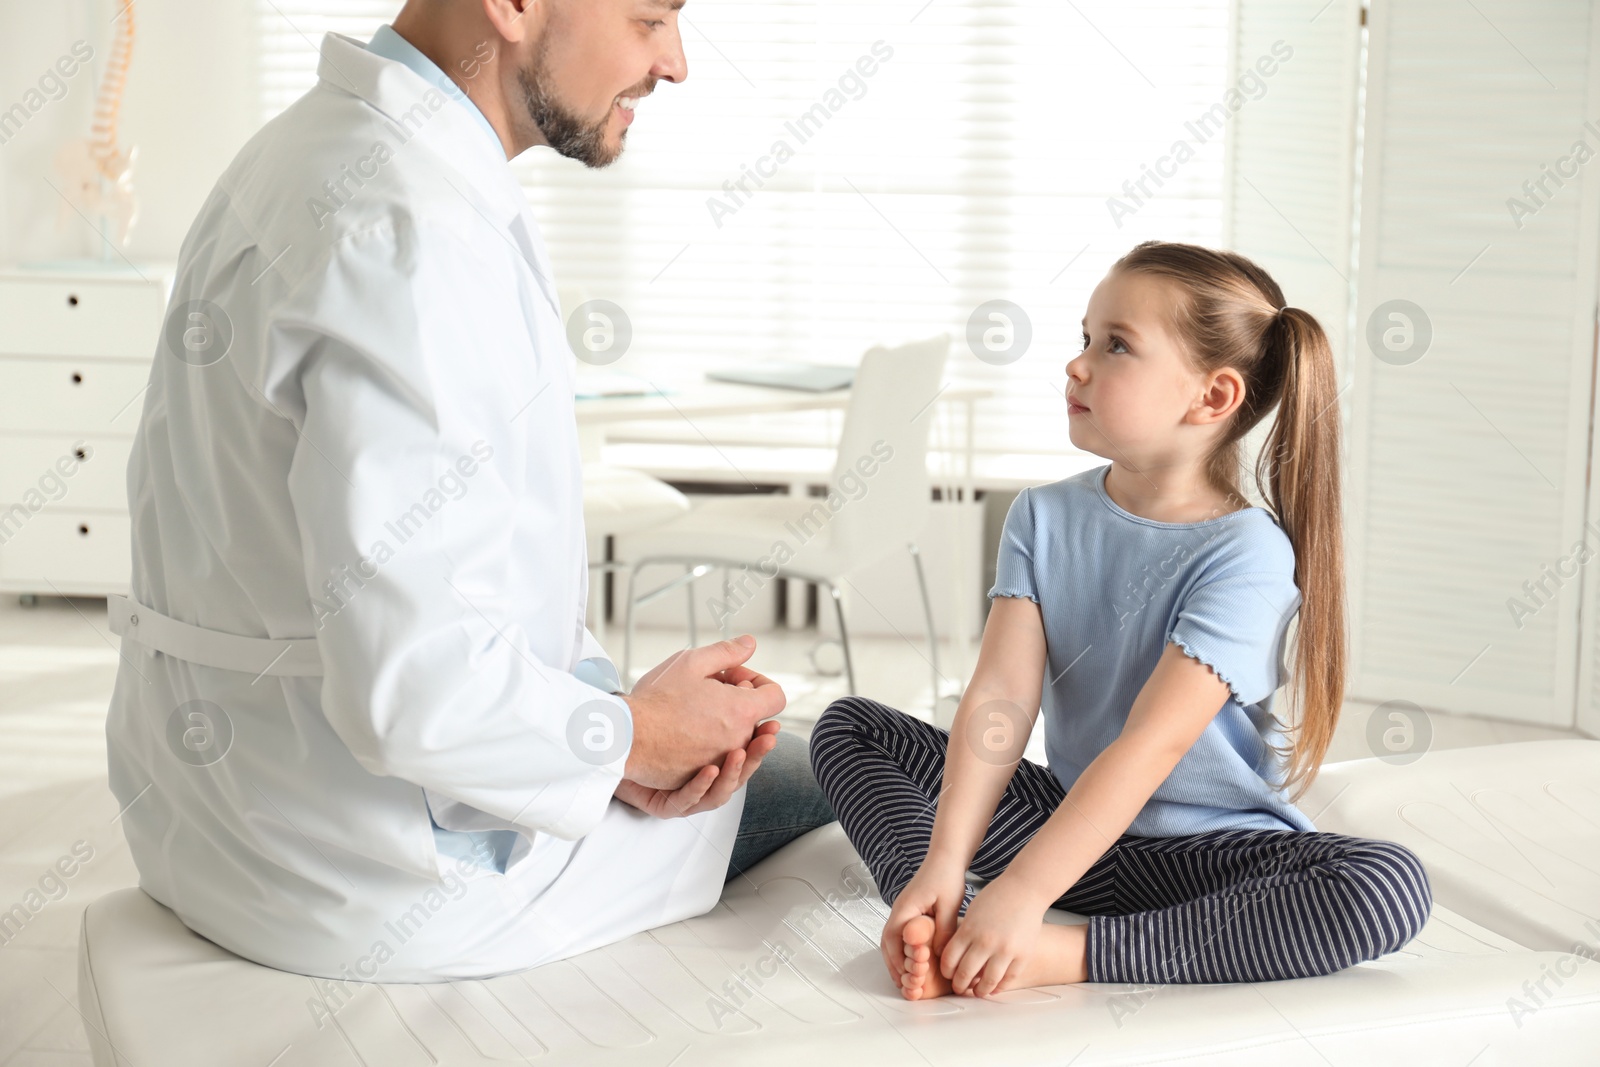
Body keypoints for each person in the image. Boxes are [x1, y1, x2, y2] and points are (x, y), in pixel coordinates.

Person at [105, 0, 830, 984]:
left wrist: (609, 720)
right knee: (887, 760)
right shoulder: (409, 226)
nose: (675, 63)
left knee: (835, 745)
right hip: (370, 880)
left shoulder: (304, 154)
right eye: (650, 18)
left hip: (214, 826)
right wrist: (639, 735)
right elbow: (416, 690)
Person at [809, 241, 1432, 1000]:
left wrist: (1027, 895)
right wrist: (943, 863)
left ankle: (1060, 952)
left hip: (1200, 858)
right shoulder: (1041, 515)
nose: (1077, 364)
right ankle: (944, 921)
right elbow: (1001, 700)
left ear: (1212, 398)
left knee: (1386, 884)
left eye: (1116, 346)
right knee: (849, 728)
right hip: (1070, 825)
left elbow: (1152, 743)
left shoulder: (1248, 551)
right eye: (1084, 339)